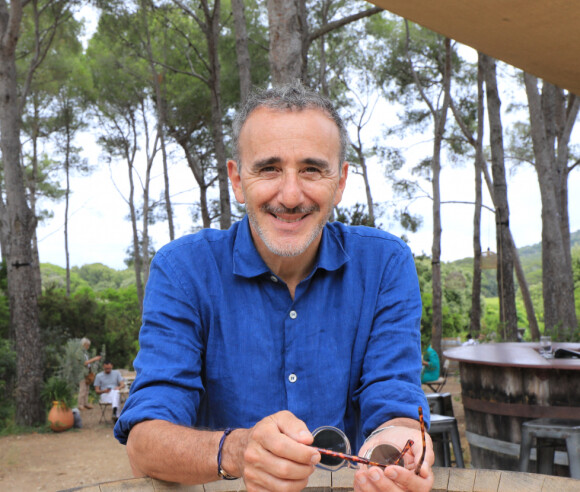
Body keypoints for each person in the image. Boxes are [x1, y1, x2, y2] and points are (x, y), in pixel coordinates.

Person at [115, 83, 434, 492]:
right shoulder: (183, 270)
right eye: (268, 168)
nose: (289, 194)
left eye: (312, 169)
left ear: (340, 182)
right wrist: (237, 449)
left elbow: (395, 401)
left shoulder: (386, 264)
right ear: (236, 179)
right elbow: (144, 443)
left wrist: (395, 454)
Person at [78, 337, 101, 410]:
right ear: (84, 344)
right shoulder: (79, 352)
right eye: (87, 345)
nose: (88, 347)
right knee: (82, 389)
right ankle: (80, 404)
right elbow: (84, 363)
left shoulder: (85, 353)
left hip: (87, 372)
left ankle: (85, 403)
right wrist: (94, 359)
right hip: (82, 373)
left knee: (87, 389)